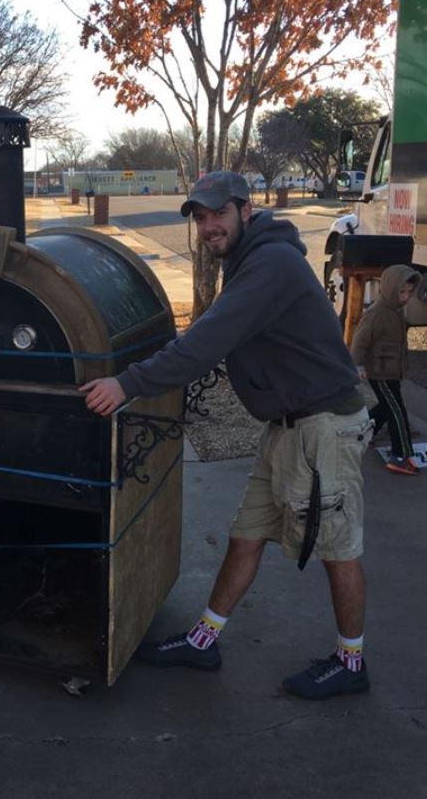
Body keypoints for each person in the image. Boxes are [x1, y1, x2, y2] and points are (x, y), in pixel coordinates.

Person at [82, 171, 373, 700]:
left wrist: (126, 383)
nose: (208, 226)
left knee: (338, 547)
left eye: (218, 213)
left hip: (322, 428)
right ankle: (203, 639)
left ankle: (352, 661)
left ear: (247, 209)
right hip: (287, 426)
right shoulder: (249, 260)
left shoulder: (271, 264)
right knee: (246, 534)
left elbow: (207, 341)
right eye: (199, 217)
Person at [351, 264, 421, 475]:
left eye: (409, 292)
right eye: (402, 292)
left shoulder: (396, 310)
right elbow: (359, 342)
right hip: (379, 372)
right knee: (397, 412)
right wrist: (359, 365)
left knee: (386, 406)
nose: (406, 297)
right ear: (390, 289)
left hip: (391, 370)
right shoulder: (377, 314)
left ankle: (363, 433)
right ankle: (401, 456)